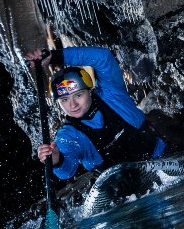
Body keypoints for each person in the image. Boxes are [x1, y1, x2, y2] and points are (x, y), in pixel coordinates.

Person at [26, 46, 167, 180]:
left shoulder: (112, 95)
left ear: (89, 91)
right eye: (64, 99)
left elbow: (103, 57)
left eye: (78, 95)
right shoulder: (68, 134)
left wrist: (56, 56)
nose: (72, 105)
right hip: (126, 189)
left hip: (163, 162)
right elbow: (68, 170)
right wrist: (56, 160)